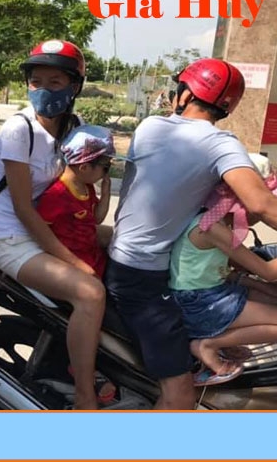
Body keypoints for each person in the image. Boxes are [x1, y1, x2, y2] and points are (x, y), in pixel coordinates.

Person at [106, 57, 277, 409]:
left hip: (140, 267)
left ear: (183, 95)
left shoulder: (150, 127)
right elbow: (260, 204)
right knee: (182, 393)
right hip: (143, 280)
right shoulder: (219, 143)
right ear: (227, 108)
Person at [0, 39, 107, 410]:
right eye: (36, 82)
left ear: (74, 87)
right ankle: (85, 395)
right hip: (10, 237)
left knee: (127, 246)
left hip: (52, 227)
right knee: (90, 292)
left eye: (55, 82)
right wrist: (74, 260)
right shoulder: (18, 130)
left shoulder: (75, 129)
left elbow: (83, 186)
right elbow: (23, 208)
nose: (43, 90)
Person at [169, 156, 277, 386]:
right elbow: (268, 271)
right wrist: (262, 282)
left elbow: (227, 270)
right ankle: (208, 345)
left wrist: (259, 286)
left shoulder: (217, 221)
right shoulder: (212, 228)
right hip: (199, 303)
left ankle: (224, 341)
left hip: (213, 291)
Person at [36, 125, 121, 279]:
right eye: (105, 167)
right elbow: (41, 232)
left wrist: (106, 193)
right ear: (84, 167)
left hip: (91, 253)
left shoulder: (87, 187)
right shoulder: (56, 196)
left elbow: (97, 218)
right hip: (73, 260)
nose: (106, 173)